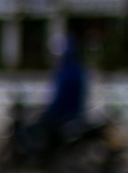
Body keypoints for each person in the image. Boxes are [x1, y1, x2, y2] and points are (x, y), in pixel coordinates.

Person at [26, 30, 89, 160]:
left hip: (64, 115)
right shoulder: (75, 69)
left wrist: (49, 111)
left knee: (38, 128)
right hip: (69, 113)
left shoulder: (67, 73)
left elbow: (61, 98)